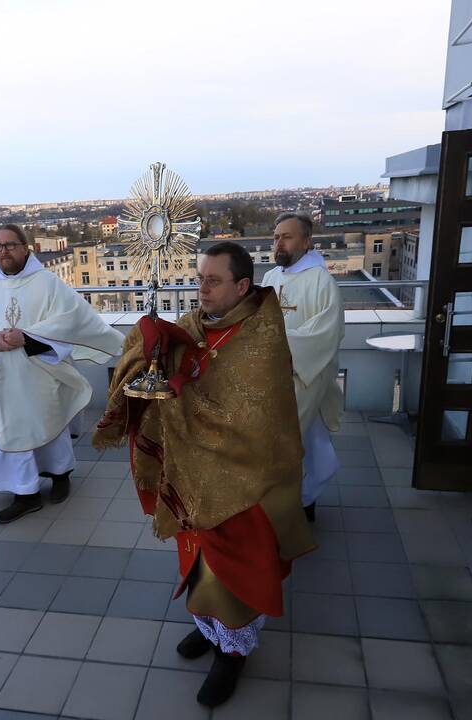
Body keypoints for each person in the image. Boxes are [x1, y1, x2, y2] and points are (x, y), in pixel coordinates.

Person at [94, 242, 315, 708]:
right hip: (192, 475)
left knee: (233, 569)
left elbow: (248, 416)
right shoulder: (196, 326)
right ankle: (210, 629)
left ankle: (231, 653)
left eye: (213, 281)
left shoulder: (262, 338)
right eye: (199, 278)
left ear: (242, 285)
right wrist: (149, 345)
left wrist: (181, 391)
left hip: (243, 481)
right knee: (195, 560)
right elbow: (171, 366)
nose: (202, 288)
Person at [0, 224, 124, 524]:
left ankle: (61, 476)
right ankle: (26, 494)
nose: (3, 252)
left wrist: (28, 337)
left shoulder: (48, 283)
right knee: (13, 430)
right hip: (4, 377)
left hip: (41, 372)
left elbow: (72, 318)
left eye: (10, 245)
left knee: (51, 425)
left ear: (27, 248)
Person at [261, 212, 345, 521]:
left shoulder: (322, 281)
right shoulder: (271, 278)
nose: (278, 242)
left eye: (287, 236)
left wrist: (283, 350)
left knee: (305, 440)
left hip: (305, 374)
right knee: (279, 439)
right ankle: (279, 499)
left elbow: (327, 332)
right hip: (272, 375)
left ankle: (306, 498)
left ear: (307, 242)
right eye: (276, 236)